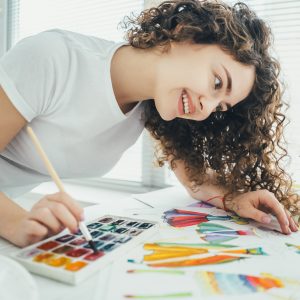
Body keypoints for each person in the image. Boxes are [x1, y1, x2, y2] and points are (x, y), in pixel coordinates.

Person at [0, 0, 299, 248]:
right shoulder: (52, 58)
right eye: (217, 81)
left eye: (220, 106)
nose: (207, 107)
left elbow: (194, 182)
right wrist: (17, 223)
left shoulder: (151, 108)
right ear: (185, 32)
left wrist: (234, 199)